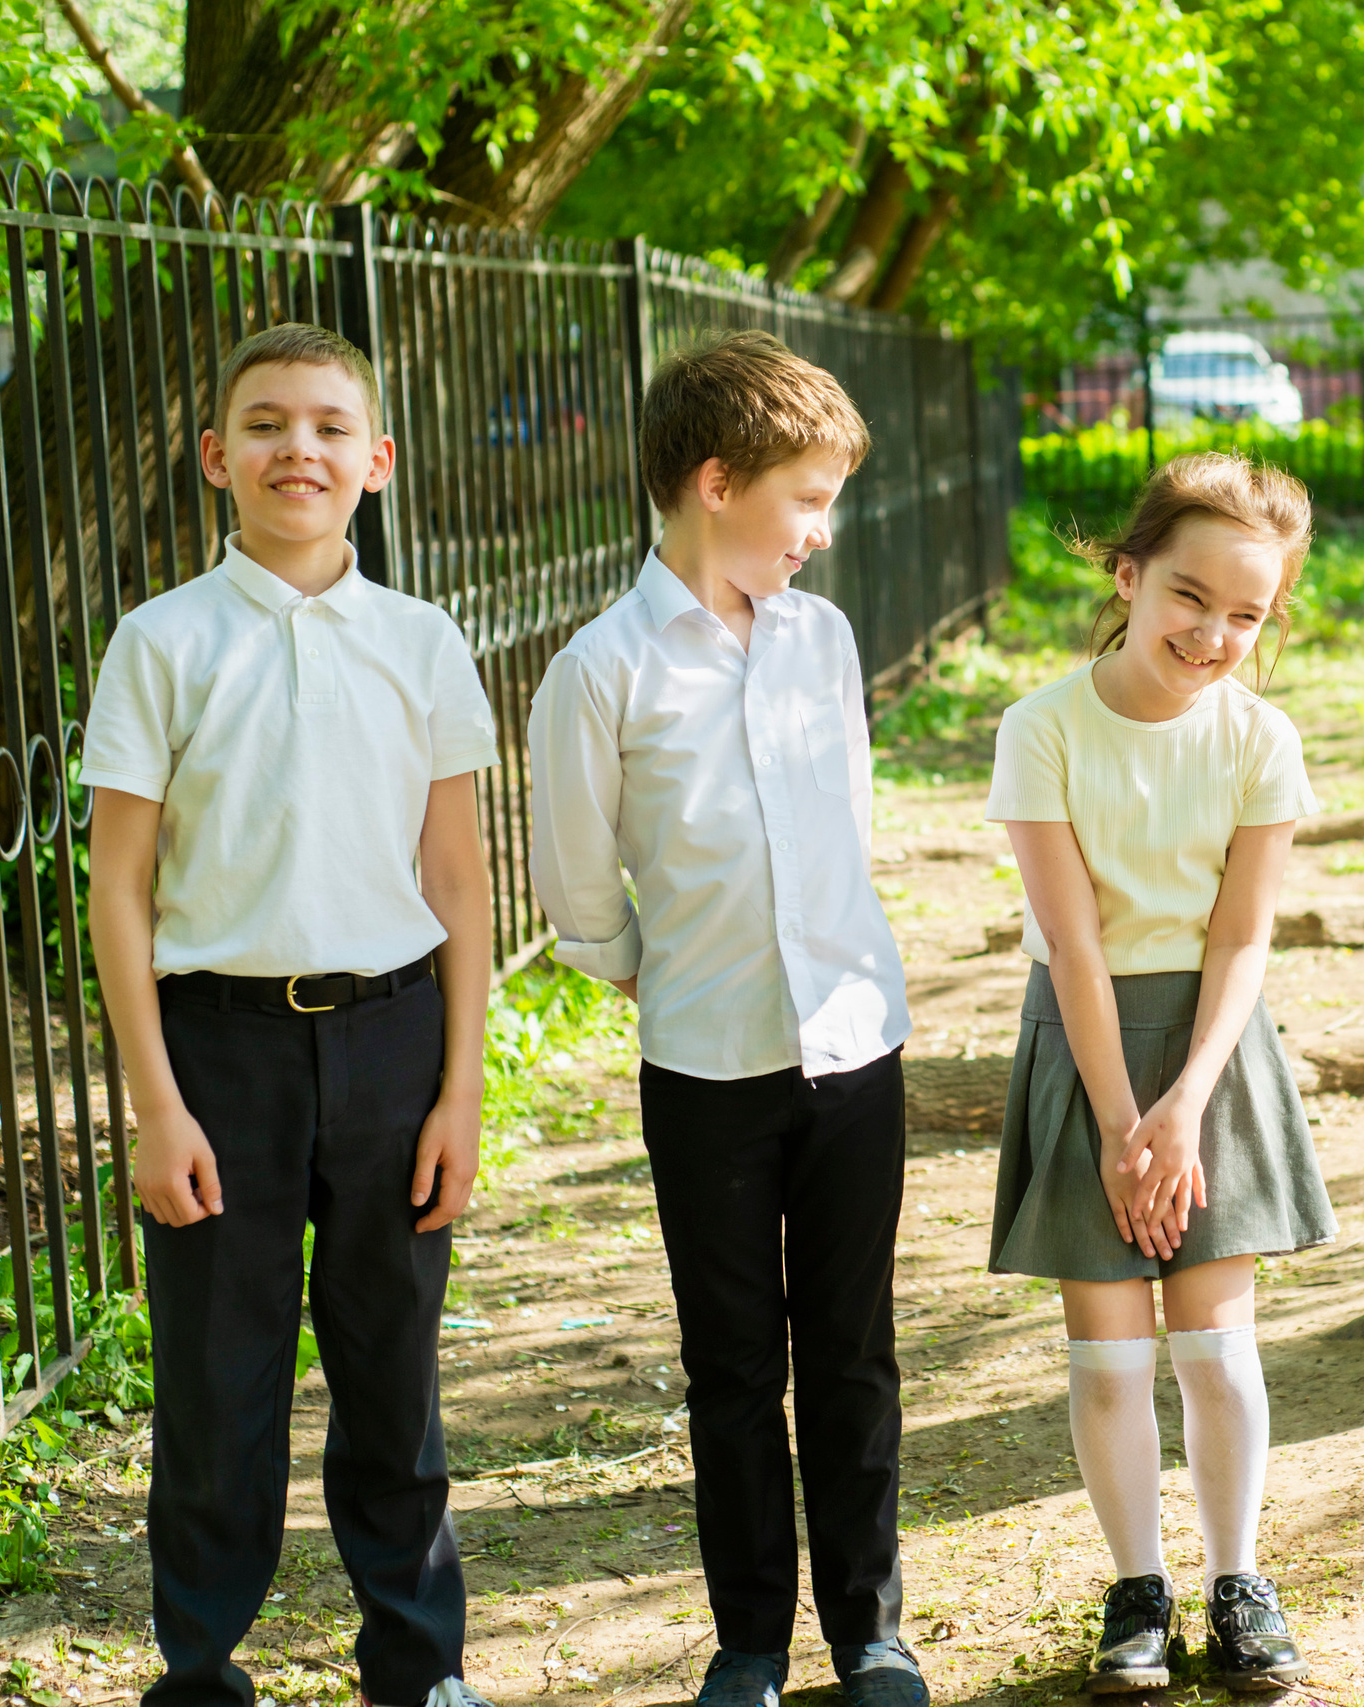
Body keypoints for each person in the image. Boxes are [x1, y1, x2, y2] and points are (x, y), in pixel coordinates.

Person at [83, 322, 498, 1707]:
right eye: (267, 424)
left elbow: (456, 876)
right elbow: (124, 888)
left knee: (394, 1373)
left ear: (376, 461)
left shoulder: (423, 643)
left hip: (391, 1042)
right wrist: (157, 1104)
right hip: (220, 1051)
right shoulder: (162, 642)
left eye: (328, 426)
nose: (297, 448)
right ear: (217, 456)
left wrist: (460, 1091)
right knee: (218, 1381)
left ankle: (418, 1663)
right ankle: (200, 1670)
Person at [526, 332, 921, 1707]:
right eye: (806, 499)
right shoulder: (600, 668)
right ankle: (750, 1636)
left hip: (855, 1049)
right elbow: (579, 887)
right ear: (714, 482)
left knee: (853, 1348)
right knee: (736, 1361)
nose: (822, 531)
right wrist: (668, 970)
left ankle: (871, 1628)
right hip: (706, 1063)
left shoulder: (824, 639)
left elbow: (846, 824)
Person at [986, 452, 1335, 1696]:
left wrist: (1183, 1109)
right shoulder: (1042, 728)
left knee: (1216, 1345)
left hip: (1213, 1050)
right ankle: (1137, 1587)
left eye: (1248, 614)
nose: (1214, 633)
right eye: (1190, 597)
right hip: (1084, 1048)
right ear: (1127, 575)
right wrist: (1122, 1120)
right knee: (1109, 1352)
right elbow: (1073, 945)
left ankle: (1239, 1579)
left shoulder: (1259, 738)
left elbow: (1241, 936)